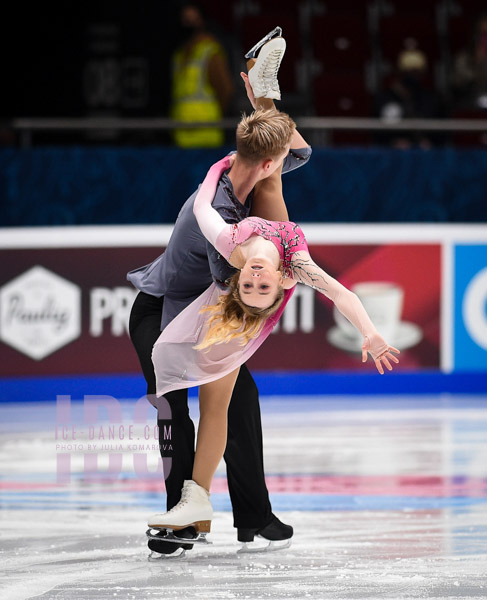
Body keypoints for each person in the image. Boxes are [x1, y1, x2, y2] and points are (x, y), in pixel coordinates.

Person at [147, 155, 401, 536]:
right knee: (274, 177)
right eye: (258, 286)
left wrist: (220, 166)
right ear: (283, 281)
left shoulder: (233, 246)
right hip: (241, 309)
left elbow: (202, 205)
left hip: (231, 319)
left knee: (215, 407)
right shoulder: (293, 262)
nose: (253, 278)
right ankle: (198, 498)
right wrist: (369, 330)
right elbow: (341, 293)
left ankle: (196, 497)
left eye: (250, 285)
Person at [128, 30, 304, 556]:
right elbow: (238, 293)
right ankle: (182, 521)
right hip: (163, 315)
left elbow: (271, 145)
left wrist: (262, 107)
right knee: (175, 412)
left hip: (207, 307)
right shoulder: (225, 218)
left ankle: (253, 515)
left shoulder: (235, 167)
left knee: (238, 401)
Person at [171, 2, 234, 148]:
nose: (187, 25)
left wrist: (210, 118)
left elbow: (226, 91)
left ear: (202, 22)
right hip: (180, 135)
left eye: (192, 20)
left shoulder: (210, 51)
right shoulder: (180, 54)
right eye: (184, 20)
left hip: (206, 136)